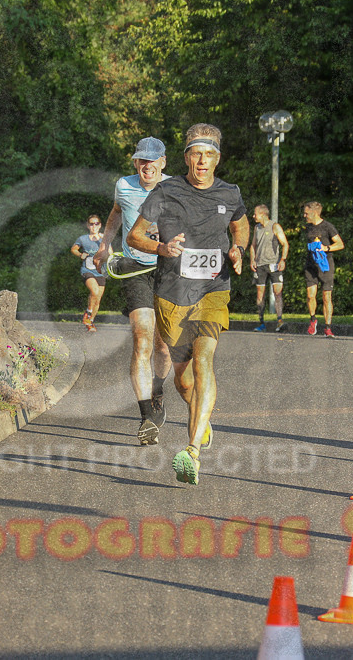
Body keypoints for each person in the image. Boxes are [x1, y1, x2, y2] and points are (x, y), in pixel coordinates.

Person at [126, 123, 249, 485]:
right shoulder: (166, 191)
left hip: (213, 289)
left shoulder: (230, 192)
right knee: (183, 381)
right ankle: (201, 417)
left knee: (205, 359)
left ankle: (192, 450)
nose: (202, 161)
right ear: (185, 158)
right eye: (196, 153)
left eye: (209, 154)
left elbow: (240, 225)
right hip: (171, 294)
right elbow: (135, 236)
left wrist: (238, 249)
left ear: (217, 159)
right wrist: (161, 248)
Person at [93, 137, 174, 445]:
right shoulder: (124, 186)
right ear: (135, 163)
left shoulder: (176, 188)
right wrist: (104, 245)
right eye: (141, 161)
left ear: (163, 162)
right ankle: (146, 419)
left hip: (168, 271)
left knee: (163, 348)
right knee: (142, 339)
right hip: (134, 268)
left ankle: (158, 390)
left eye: (152, 161)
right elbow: (116, 212)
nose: (146, 166)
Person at [302, 201, 344, 337]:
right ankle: (313, 320)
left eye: (306, 213)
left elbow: (340, 244)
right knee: (310, 295)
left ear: (314, 213)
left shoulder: (328, 227)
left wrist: (326, 248)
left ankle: (328, 328)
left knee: (326, 296)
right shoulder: (307, 227)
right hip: (310, 265)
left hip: (325, 265)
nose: (304, 215)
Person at [248, 204, 289, 332]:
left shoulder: (275, 227)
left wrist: (282, 259)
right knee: (260, 294)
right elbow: (253, 245)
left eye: (255, 214)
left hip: (274, 265)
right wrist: (252, 260)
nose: (253, 216)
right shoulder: (257, 228)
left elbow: (285, 244)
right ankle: (261, 323)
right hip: (260, 266)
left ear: (263, 214)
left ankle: (279, 320)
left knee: (278, 292)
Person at [71, 215, 106, 332]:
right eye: (91, 224)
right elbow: (73, 249)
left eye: (96, 224)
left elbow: (110, 253)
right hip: (87, 270)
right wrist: (80, 254)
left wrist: (105, 240)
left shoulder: (104, 238)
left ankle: (90, 322)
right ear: (88, 225)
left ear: (100, 225)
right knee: (94, 291)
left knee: (98, 299)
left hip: (100, 271)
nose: (94, 226)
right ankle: (89, 312)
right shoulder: (83, 239)